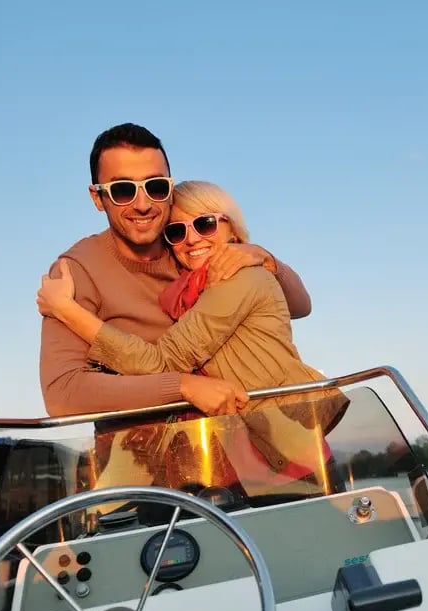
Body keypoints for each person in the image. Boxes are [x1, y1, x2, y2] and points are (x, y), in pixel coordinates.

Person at [37, 180, 348, 497]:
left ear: (231, 226)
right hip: (250, 458)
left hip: (290, 457)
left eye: (205, 224)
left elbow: (161, 362)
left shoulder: (239, 280)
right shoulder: (192, 289)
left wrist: (67, 310)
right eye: (176, 232)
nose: (192, 239)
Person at [40, 123, 313, 418]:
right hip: (139, 455)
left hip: (230, 440)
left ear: (169, 189)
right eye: (122, 191)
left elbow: (298, 306)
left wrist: (265, 259)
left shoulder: (184, 245)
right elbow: (63, 394)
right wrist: (180, 387)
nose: (143, 204)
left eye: (155, 186)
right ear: (97, 198)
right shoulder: (76, 271)